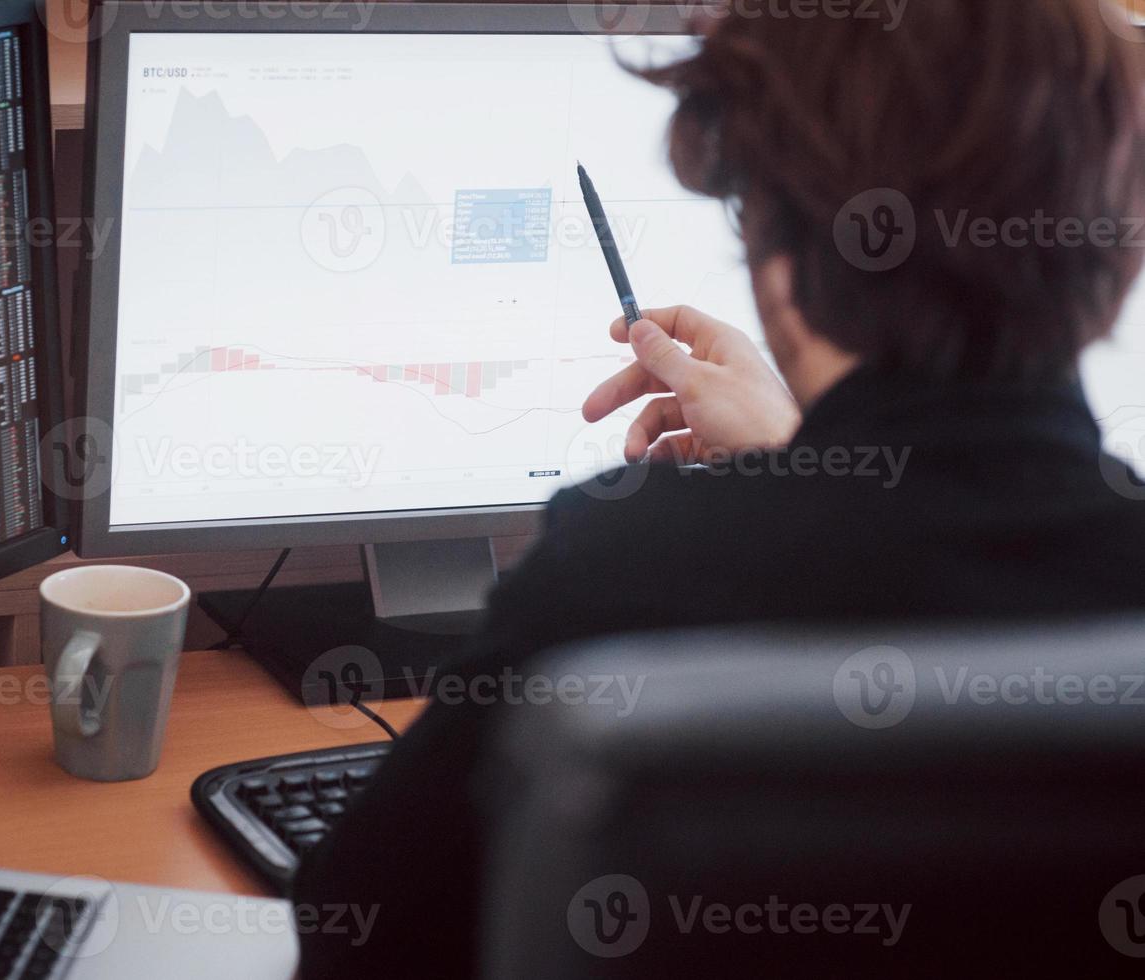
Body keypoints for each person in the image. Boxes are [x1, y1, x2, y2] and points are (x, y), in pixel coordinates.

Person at [293, 0, 1145, 975]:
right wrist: (798, 457)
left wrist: (792, 484)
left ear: (777, 253)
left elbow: (353, 932)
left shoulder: (617, 578)